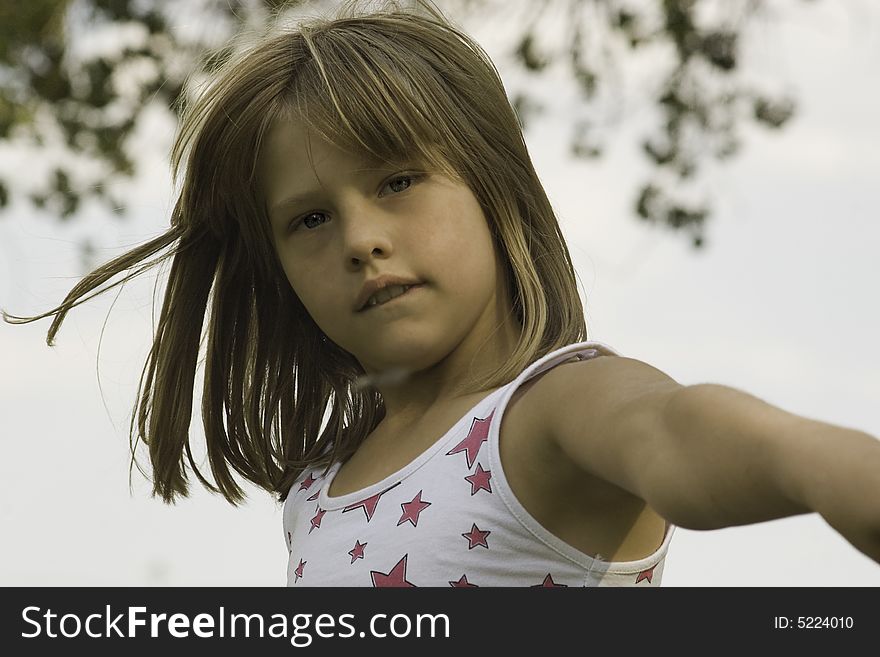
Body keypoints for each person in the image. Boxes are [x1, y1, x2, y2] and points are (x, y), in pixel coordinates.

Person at [4, 0, 879, 587]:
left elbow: (679, 432)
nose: (360, 239)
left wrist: (831, 469)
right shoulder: (320, 488)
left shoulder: (548, 410)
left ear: (497, 192)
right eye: (309, 220)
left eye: (396, 183)